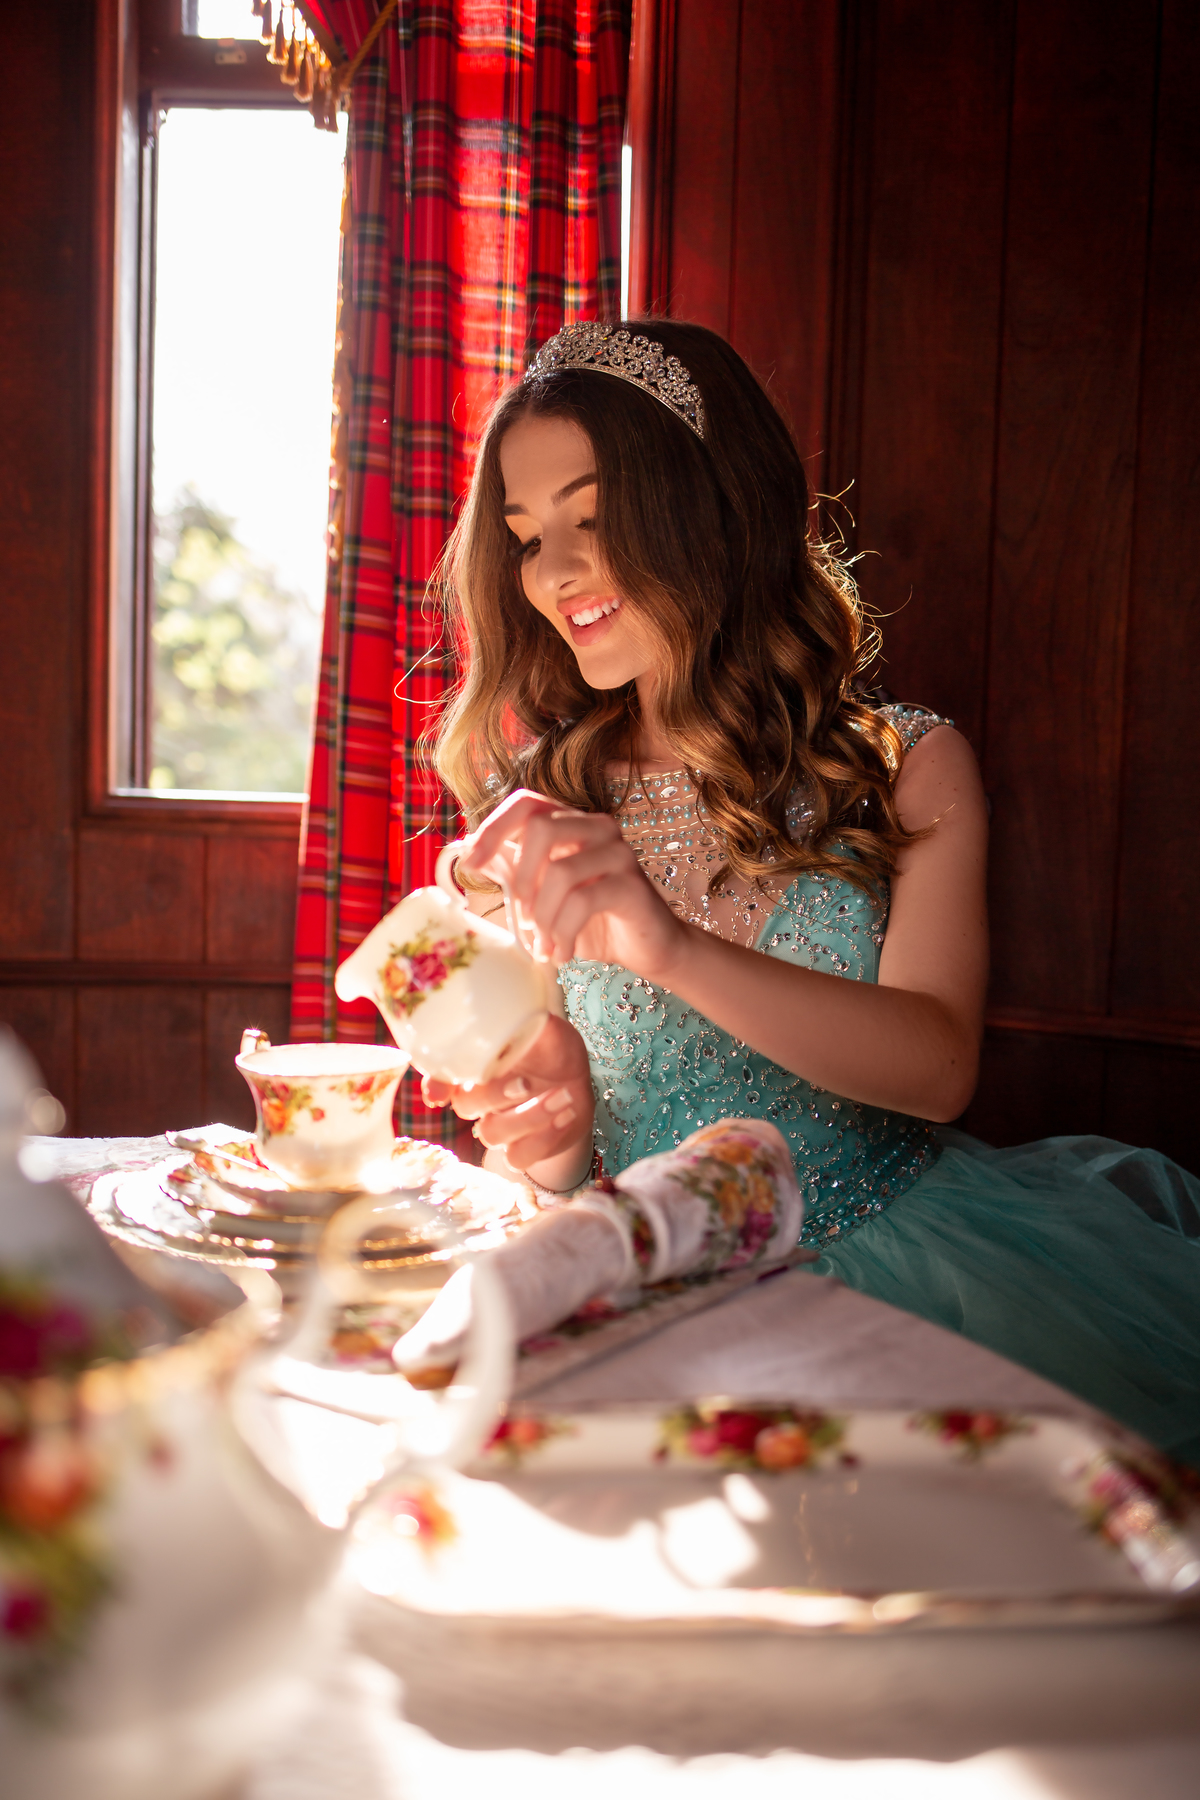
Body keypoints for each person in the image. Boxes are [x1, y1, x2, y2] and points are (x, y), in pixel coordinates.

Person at [421, 318, 1200, 1465]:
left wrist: (666, 945)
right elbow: (535, 1166)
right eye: (531, 536)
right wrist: (554, 1122)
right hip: (637, 1293)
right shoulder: (546, 797)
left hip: (914, 1279)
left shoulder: (906, 764)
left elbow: (938, 1070)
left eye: (591, 518)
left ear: (712, 502)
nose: (554, 573)